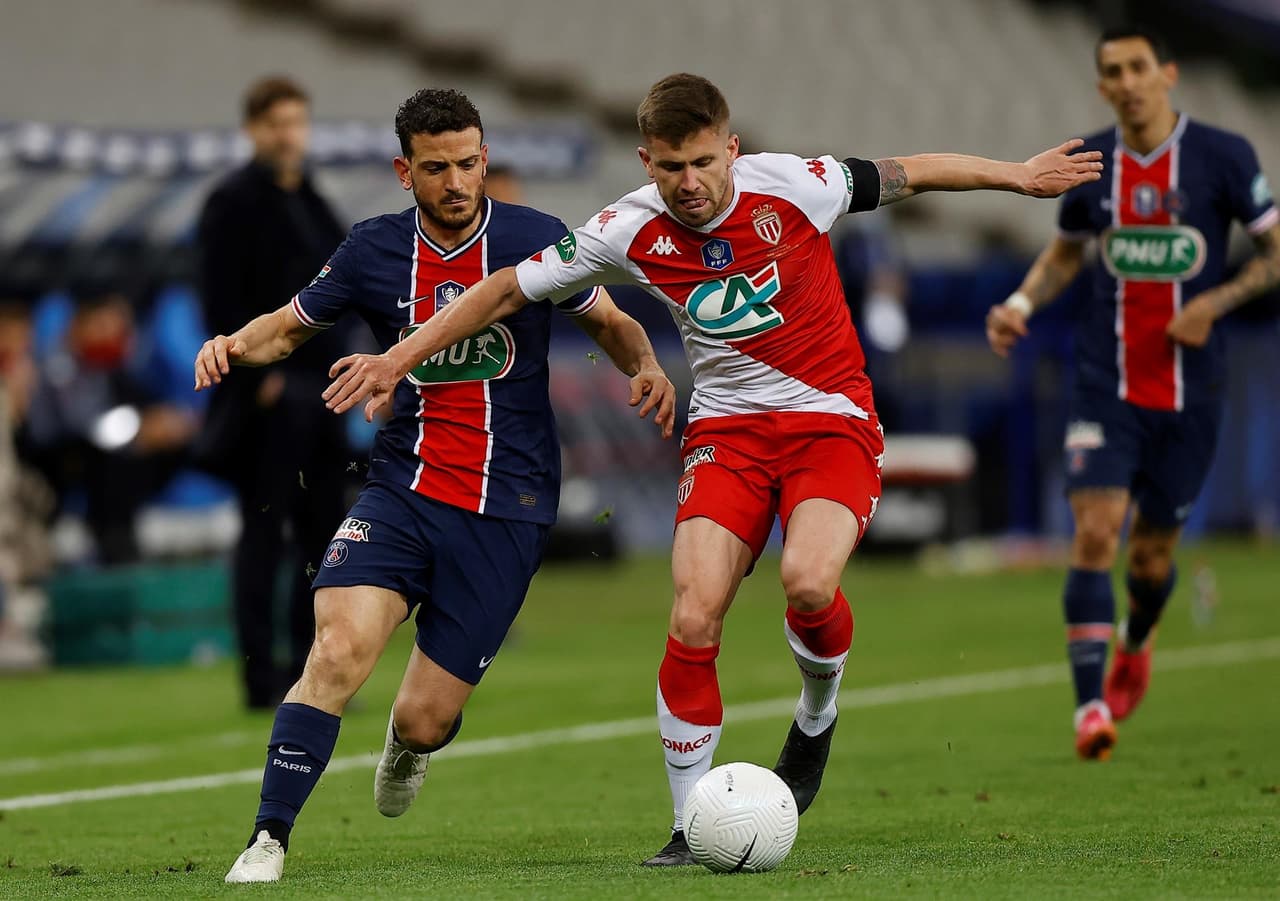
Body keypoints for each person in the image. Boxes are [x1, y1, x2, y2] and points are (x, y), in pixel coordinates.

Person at [321, 73, 1102, 865]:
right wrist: (397, 358)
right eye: (668, 167)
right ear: (646, 161)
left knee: (808, 583)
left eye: (701, 162)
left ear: (731, 148)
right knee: (693, 614)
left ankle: (817, 712)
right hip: (726, 432)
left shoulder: (798, 184)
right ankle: (691, 824)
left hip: (828, 421)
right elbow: (498, 291)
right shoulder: (624, 228)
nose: (688, 184)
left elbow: (912, 171)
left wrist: (1015, 175)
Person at [196, 88, 675, 883]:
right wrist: (229, 345)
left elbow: (612, 323)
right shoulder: (372, 250)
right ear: (403, 171)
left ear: (484, 158)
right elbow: (285, 326)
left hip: (508, 505)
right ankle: (268, 837)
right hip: (402, 489)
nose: (456, 182)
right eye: (436, 168)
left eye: (467, 163)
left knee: (424, 718)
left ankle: (407, 744)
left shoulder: (535, 239)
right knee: (337, 648)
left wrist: (648, 364)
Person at [984, 27, 1279, 760]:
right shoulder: (1092, 163)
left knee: (1149, 559)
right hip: (1104, 384)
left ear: (1167, 74)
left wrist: (1217, 301)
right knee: (1093, 532)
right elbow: (1065, 254)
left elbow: (1275, 253)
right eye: (1111, 71)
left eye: (1138, 67)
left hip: (1191, 392)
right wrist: (1021, 303)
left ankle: (1137, 637)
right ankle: (1090, 708)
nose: (1126, 81)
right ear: (1101, 86)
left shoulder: (1224, 156)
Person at [196, 76, 353, 709]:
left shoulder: (313, 200)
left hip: (324, 392)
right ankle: (261, 677)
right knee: (264, 532)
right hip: (269, 401)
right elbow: (219, 299)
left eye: (297, 122)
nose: (288, 134)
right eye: (276, 123)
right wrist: (259, 379)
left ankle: (308, 674)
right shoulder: (231, 202)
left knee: (322, 536)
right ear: (253, 130)